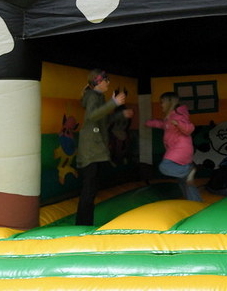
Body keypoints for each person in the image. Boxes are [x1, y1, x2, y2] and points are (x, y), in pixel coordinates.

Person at [75, 69, 133, 225]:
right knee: (89, 189)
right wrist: (114, 103)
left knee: (92, 189)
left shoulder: (98, 97)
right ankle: (82, 224)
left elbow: (103, 120)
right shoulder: (92, 96)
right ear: (98, 82)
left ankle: (85, 223)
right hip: (90, 150)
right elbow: (92, 116)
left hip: (95, 150)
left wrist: (120, 114)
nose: (108, 83)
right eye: (106, 80)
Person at [145, 91, 202, 202]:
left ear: (169, 102)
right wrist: (149, 123)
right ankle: (196, 203)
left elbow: (189, 128)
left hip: (180, 148)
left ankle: (189, 170)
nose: (161, 105)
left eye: (162, 102)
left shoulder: (178, 115)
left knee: (165, 166)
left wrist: (179, 124)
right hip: (178, 149)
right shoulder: (170, 117)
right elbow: (163, 125)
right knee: (184, 181)